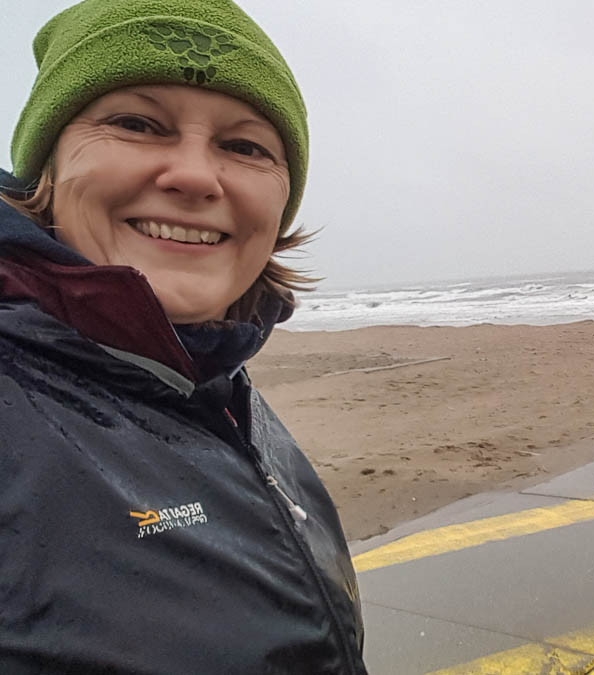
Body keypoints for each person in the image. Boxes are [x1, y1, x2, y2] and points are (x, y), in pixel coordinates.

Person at [0, 1, 367, 672]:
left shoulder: (216, 378)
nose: (196, 176)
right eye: (136, 123)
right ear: (44, 173)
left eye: (245, 145)